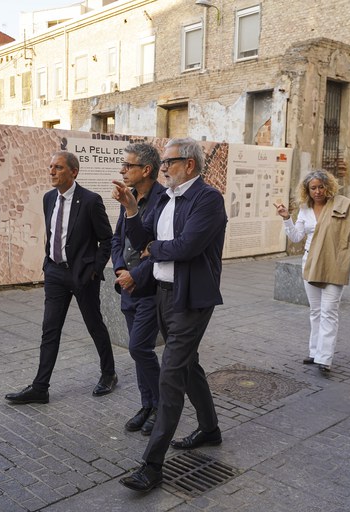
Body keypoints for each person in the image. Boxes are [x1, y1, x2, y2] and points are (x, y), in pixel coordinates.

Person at [113, 138, 227, 493]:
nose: (163, 169)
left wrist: (155, 248)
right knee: (188, 366)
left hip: (190, 299)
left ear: (189, 164)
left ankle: (152, 466)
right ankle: (210, 428)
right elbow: (141, 239)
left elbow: (187, 247)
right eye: (162, 163)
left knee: (171, 376)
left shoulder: (207, 199)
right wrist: (132, 210)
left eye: (169, 162)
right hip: (162, 294)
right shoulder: (167, 199)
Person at [5, 151, 117, 404]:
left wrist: (94, 269)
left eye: (58, 167)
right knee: (50, 330)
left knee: (94, 324)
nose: (52, 171)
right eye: (51, 167)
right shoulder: (48, 198)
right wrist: (48, 264)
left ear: (73, 172)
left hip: (82, 275)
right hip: (55, 272)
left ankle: (109, 373)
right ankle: (40, 388)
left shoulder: (90, 200)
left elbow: (107, 239)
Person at [275, 170, 350, 373]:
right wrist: (286, 218)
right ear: (307, 190)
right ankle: (314, 351)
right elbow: (296, 237)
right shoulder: (305, 209)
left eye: (321, 187)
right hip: (311, 261)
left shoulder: (342, 205)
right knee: (315, 311)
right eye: (313, 188)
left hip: (335, 262)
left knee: (329, 311)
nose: (317, 191)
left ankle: (325, 358)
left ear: (328, 186)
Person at [111, 143, 165, 435]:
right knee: (139, 351)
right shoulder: (128, 197)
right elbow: (117, 239)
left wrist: (135, 275)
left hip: (149, 288)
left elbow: (157, 249)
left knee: (139, 347)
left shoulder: (163, 200)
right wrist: (120, 269)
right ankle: (148, 405)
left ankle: (161, 407)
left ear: (146, 169)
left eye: (128, 165)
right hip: (127, 287)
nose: (123, 170)